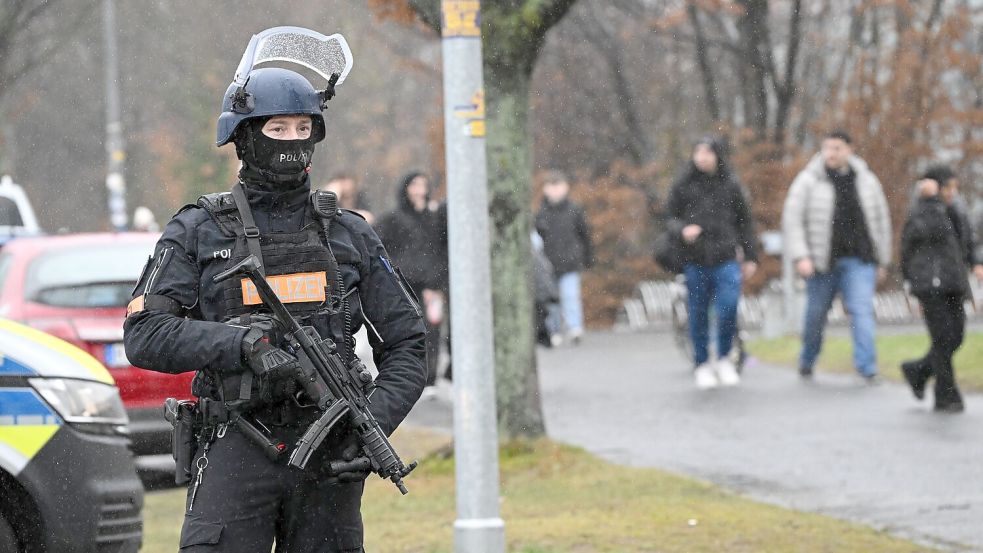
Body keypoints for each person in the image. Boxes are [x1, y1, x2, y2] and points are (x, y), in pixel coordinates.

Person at [122, 48, 426, 551]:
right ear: (243, 136)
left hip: (331, 452)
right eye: (277, 128)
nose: (292, 141)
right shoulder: (198, 231)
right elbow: (144, 334)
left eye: (303, 128)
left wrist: (371, 422)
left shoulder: (349, 233)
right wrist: (241, 345)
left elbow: (409, 344)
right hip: (237, 441)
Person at [782, 130, 892, 384]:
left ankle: (867, 367)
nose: (831, 153)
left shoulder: (866, 181)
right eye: (827, 148)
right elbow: (793, 220)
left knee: (861, 311)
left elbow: (881, 221)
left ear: (850, 149)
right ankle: (807, 359)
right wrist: (801, 256)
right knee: (815, 316)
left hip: (859, 260)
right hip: (822, 263)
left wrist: (882, 260)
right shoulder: (808, 181)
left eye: (837, 148)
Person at [665, 137, 758, 389]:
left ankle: (725, 357)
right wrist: (683, 229)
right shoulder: (683, 186)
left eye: (707, 152)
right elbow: (668, 218)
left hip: (725, 257)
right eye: (698, 152)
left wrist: (750, 256)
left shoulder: (730, 185)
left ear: (717, 155)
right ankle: (702, 362)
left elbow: (745, 223)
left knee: (728, 307)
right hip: (695, 258)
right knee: (698, 312)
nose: (702, 157)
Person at [899, 166, 983, 413]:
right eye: (948, 188)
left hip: (954, 282)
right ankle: (946, 395)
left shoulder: (957, 209)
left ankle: (918, 370)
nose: (952, 193)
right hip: (930, 283)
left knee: (956, 336)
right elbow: (930, 232)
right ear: (935, 187)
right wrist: (932, 199)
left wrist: (977, 262)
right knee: (942, 337)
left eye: (955, 188)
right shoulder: (921, 210)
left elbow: (968, 240)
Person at [374, 171, 448, 395]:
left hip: (430, 286)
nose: (419, 190)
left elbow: (442, 250)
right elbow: (377, 243)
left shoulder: (434, 219)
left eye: (423, 185)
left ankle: (430, 378)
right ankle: (408, 376)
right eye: (414, 185)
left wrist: (437, 281)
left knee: (432, 331)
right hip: (404, 285)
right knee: (405, 330)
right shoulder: (394, 218)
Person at [535, 170, 594, 345]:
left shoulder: (574, 211)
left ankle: (574, 327)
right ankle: (553, 329)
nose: (555, 191)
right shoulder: (541, 213)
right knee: (551, 300)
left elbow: (585, 235)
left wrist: (587, 257)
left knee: (570, 296)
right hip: (548, 264)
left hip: (570, 262)